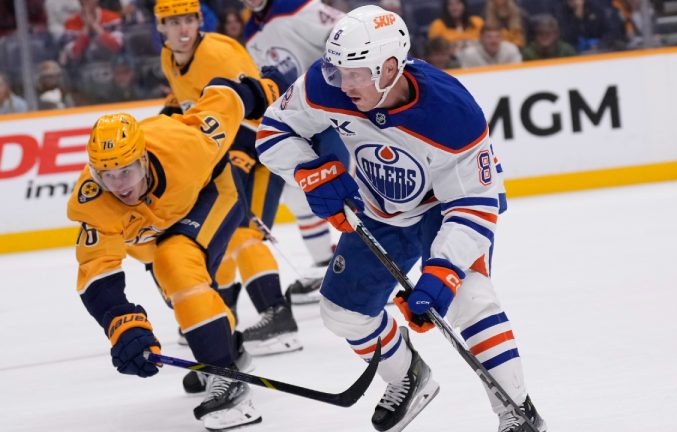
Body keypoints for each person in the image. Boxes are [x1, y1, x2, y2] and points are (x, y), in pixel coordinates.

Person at [255, 5, 547, 432]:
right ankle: (407, 376)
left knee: (470, 300)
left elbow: (474, 204)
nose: (344, 83)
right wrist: (309, 172)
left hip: (443, 211)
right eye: (339, 70)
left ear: (390, 67)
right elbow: (274, 129)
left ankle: (517, 412)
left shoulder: (451, 111)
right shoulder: (326, 82)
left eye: (356, 73)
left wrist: (443, 271)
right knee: (342, 314)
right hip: (380, 211)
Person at [66, 72, 282, 429]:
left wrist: (259, 90)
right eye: (107, 175)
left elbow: (222, 106)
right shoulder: (93, 200)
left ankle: (225, 376)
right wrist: (121, 322)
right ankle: (231, 352)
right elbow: (96, 271)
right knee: (180, 295)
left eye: (127, 171)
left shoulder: (184, 145)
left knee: (177, 262)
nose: (119, 186)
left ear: (145, 160)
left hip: (212, 194)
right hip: (154, 237)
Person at [154, 0, 301, 361]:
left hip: (266, 148)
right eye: (174, 23)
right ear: (161, 27)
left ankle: (278, 316)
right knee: (219, 236)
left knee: (243, 231)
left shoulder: (218, 54)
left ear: (200, 20)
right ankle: (224, 311)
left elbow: (262, 103)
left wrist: (244, 154)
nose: (183, 29)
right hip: (225, 155)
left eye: (189, 20)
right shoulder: (169, 58)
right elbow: (186, 101)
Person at [242, 0, 347, 304]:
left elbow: (344, 32)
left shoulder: (297, 5)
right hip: (300, 116)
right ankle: (324, 265)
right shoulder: (252, 31)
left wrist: (334, 83)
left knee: (348, 187)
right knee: (299, 192)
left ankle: (378, 267)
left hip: (334, 110)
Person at [59, 0, 124, 65]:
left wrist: (94, 25)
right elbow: (75, 53)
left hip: (110, 64)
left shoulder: (113, 18)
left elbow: (116, 47)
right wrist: (86, 26)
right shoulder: (70, 23)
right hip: (83, 67)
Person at [457, 23, 523, 67]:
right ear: (481, 39)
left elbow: (518, 74)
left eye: (497, 37)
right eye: (489, 37)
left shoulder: (511, 50)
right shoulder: (470, 54)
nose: (494, 41)